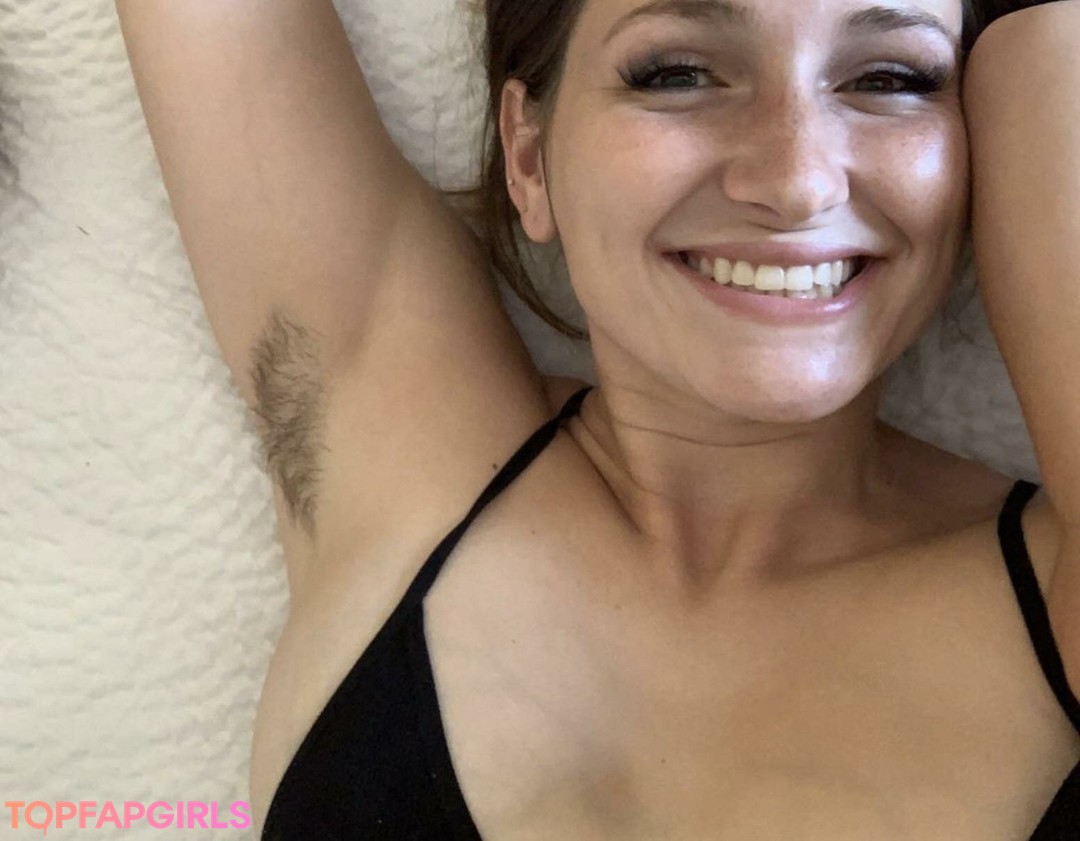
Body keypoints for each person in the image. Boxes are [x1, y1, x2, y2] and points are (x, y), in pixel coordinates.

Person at [115, 0, 1080, 837]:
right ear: (529, 156)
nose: (798, 180)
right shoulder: (402, 453)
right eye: (678, 73)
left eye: (891, 79)